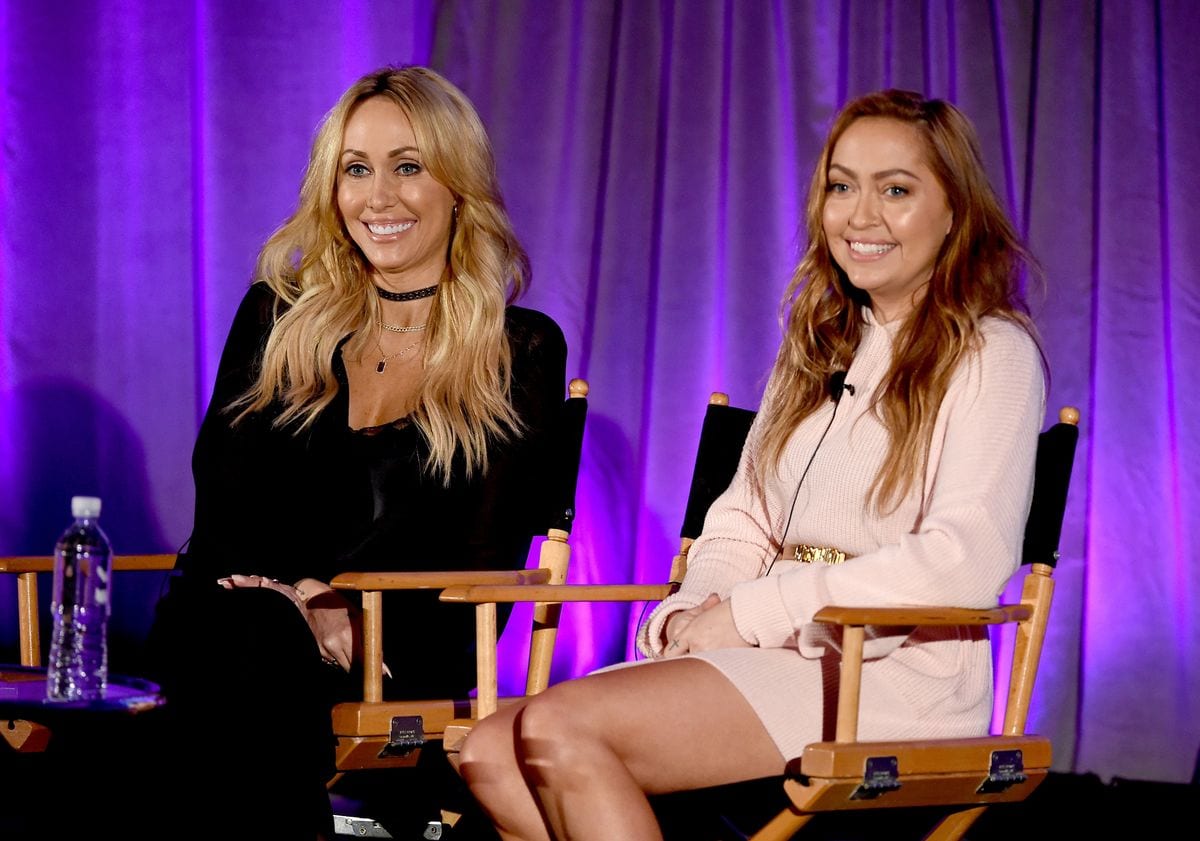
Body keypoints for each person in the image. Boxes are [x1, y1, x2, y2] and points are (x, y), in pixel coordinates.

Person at [458, 89, 1047, 840]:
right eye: (842, 186)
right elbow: (741, 521)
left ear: (956, 211)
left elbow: (963, 559)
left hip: (890, 676)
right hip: (776, 655)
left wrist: (748, 614)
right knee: (488, 751)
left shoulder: (993, 351)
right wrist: (688, 612)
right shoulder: (818, 346)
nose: (860, 216)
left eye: (896, 189)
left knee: (554, 730)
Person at [142, 65, 567, 840]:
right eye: (356, 169)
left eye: (408, 167)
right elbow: (224, 499)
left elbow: (484, 544)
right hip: (236, 611)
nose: (379, 198)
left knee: (221, 698)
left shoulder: (519, 349)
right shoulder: (279, 313)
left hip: (403, 641)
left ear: (457, 184)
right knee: (255, 636)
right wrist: (303, 590)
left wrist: (351, 608)